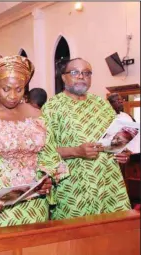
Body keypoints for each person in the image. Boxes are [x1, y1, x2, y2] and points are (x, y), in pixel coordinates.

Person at [0, 55, 66, 229]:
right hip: (0, 201)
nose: (13, 96)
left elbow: (49, 154)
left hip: (34, 198)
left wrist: (46, 179)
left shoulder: (37, 115)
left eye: (19, 89)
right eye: (6, 89)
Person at [42, 58, 131, 220]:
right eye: (75, 72)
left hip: (108, 182)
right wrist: (76, 151)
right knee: (76, 238)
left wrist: (123, 152)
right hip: (74, 187)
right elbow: (44, 151)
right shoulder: (52, 107)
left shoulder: (102, 104)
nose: (81, 76)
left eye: (87, 73)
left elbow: (116, 138)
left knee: (114, 234)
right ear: (63, 77)